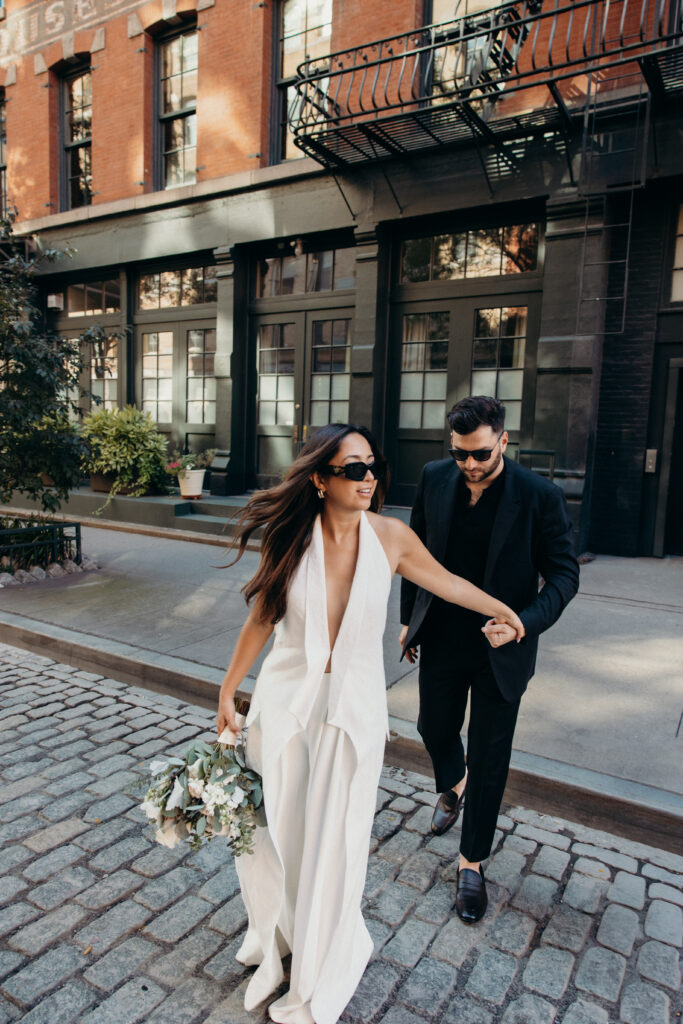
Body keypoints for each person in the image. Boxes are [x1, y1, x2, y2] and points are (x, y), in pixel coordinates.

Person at [217, 423, 524, 1024]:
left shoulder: (391, 537)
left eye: (372, 466)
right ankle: (279, 938)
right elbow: (261, 618)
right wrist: (229, 688)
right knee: (278, 834)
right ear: (320, 479)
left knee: (339, 839)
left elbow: (448, 583)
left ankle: (318, 967)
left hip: (352, 714)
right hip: (284, 707)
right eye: (354, 469)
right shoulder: (292, 540)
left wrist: (505, 610)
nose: (370, 478)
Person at [399, 396, 579, 925]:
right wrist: (409, 620)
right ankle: (454, 784)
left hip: (504, 646)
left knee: (491, 756)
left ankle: (472, 861)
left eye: (479, 454)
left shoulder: (540, 495)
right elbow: (414, 556)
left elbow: (565, 575)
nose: (470, 466)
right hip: (443, 637)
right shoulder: (434, 477)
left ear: (503, 440)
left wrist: (523, 621)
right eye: (460, 455)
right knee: (432, 727)